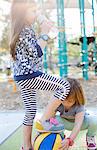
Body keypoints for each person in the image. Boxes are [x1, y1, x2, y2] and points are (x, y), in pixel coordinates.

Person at [10, 1, 70, 150]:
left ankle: (26, 146)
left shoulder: (23, 29)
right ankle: (45, 119)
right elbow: (36, 53)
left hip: (22, 77)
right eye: (33, 11)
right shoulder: (25, 30)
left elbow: (33, 51)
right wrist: (44, 33)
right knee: (64, 86)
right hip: (30, 75)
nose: (36, 14)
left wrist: (44, 32)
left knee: (30, 110)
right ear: (22, 13)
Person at [54, 78, 97, 150]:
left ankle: (90, 139)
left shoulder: (79, 106)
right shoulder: (57, 102)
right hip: (64, 123)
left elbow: (78, 124)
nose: (66, 103)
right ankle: (60, 138)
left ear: (77, 97)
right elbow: (50, 117)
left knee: (95, 120)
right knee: (54, 119)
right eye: (63, 99)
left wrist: (70, 139)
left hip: (81, 124)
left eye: (70, 101)